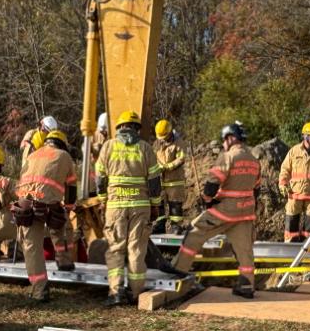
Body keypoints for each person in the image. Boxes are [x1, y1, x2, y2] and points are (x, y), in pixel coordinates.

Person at [170, 122, 261, 298]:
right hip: (246, 212)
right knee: (244, 251)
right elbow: (256, 189)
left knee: (194, 233)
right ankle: (247, 286)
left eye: (224, 140)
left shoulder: (227, 157)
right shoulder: (253, 160)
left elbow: (212, 184)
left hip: (225, 210)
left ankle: (178, 273)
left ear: (231, 138)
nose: (223, 144)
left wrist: (207, 201)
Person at [96, 110, 162, 307]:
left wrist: (102, 200)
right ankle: (136, 293)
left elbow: (99, 178)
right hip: (140, 207)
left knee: (116, 249)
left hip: (115, 206)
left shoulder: (108, 146)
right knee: (136, 250)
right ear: (136, 129)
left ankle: (115, 292)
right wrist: (155, 204)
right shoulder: (145, 148)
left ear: (119, 128)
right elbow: (154, 181)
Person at [12, 129, 77, 302]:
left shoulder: (32, 155)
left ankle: (40, 291)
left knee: (32, 248)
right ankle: (64, 262)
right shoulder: (64, 156)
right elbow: (71, 186)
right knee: (60, 223)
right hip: (50, 204)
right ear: (62, 144)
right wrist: (68, 208)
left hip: (26, 204)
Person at [153, 119, 187, 234]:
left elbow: (181, 159)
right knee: (159, 204)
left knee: (175, 205)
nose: (162, 139)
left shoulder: (178, 142)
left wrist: (167, 167)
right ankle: (159, 225)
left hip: (174, 181)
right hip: (160, 181)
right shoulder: (157, 143)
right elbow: (153, 157)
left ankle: (176, 226)